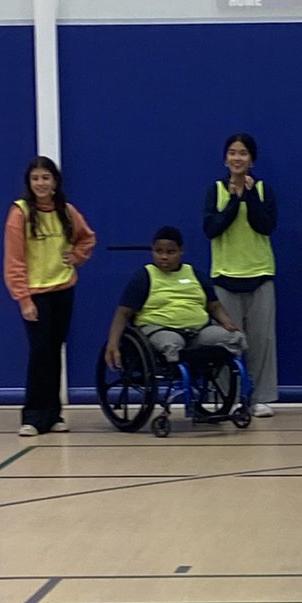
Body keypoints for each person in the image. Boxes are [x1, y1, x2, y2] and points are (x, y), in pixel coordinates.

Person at [3, 155, 96, 436]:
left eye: (46, 178)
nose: (41, 184)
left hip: (63, 290)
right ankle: (32, 416)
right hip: (36, 294)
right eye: (35, 179)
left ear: (55, 182)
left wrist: (76, 256)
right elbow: (14, 260)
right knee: (40, 352)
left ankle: (53, 413)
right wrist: (24, 299)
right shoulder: (20, 213)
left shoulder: (66, 212)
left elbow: (87, 237)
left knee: (55, 351)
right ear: (29, 183)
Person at [203, 133, 277, 417]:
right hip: (224, 276)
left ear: (252, 159)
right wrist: (234, 200)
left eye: (243, 153)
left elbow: (265, 225)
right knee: (226, 342)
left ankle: (260, 397)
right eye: (232, 152)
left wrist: (248, 196)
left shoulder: (262, 190)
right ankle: (228, 397)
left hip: (259, 274)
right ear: (225, 158)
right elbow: (213, 228)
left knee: (262, 341)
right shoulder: (215, 190)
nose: (237, 158)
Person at [103, 226, 246, 371]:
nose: (164, 257)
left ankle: (199, 363)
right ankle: (182, 365)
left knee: (233, 337)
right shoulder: (144, 277)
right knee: (172, 343)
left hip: (198, 332)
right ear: (152, 250)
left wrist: (227, 323)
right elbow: (124, 313)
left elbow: (214, 306)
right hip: (160, 330)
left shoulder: (195, 274)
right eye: (159, 251)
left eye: (170, 252)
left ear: (181, 250)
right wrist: (113, 344)